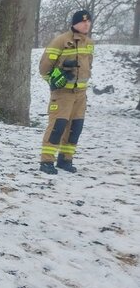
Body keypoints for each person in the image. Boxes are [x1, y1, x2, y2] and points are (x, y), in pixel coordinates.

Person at [39, 10, 94, 174]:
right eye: (83, 22)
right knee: (57, 127)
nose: (86, 24)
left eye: (88, 21)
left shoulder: (89, 43)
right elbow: (44, 68)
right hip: (62, 93)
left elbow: (88, 65)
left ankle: (65, 159)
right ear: (74, 23)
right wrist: (54, 81)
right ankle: (47, 161)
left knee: (75, 128)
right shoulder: (60, 41)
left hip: (80, 94)